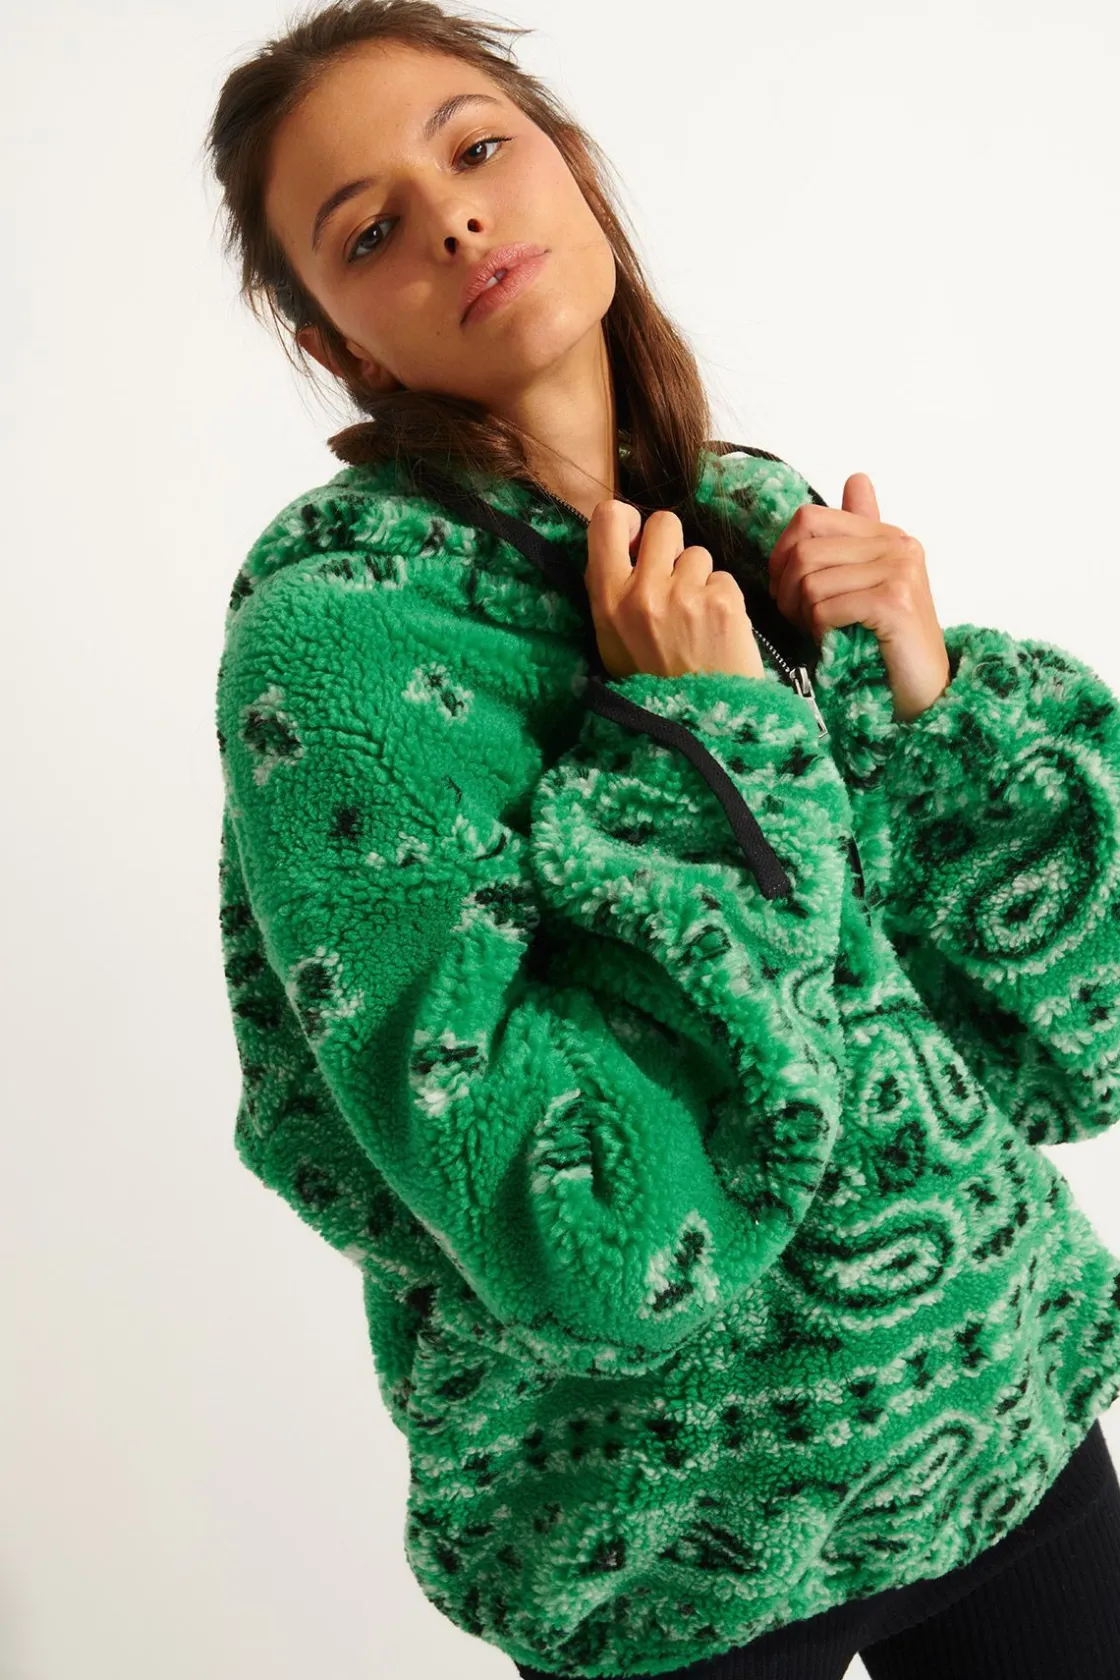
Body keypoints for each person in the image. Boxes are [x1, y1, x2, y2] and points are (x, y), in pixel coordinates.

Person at [205, 4, 1120, 1675]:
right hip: (662, 1546)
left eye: (477, 147)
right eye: (371, 230)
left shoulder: (755, 518)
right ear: (343, 347)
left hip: (998, 1420)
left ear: (572, 170)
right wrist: (699, 742)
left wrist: (925, 687)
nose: (454, 217)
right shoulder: (341, 643)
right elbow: (582, 1234)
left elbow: (1079, 1032)